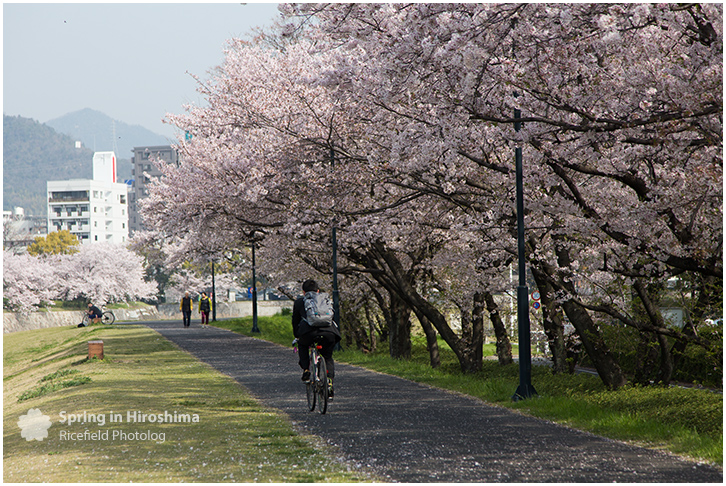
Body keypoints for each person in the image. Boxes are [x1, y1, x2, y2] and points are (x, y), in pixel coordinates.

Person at [292, 279, 341, 398]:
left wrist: (297, 335)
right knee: (328, 357)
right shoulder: (326, 299)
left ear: (304, 292)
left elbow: (295, 321)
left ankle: (306, 370)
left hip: (308, 333)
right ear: (318, 290)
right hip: (329, 333)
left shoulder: (300, 302)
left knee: (302, 345)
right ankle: (329, 383)